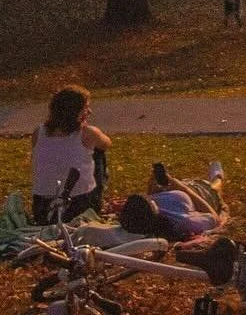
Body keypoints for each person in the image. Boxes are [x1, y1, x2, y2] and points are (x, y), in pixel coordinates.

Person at [31, 86, 111, 224]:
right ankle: (97, 201)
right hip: (78, 206)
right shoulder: (87, 133)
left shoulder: (39, 132)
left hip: (42, 208)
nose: (89, 112)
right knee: (98, 152)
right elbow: (107, 143)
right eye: (86, 108)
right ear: (76, 112)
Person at [120, 162, 225, 241]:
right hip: (203, 193)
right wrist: (183, 188)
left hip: (184, 185)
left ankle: (215, 169)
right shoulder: (184, 221)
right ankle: (217, 174)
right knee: (215, 186)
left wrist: (153, 188)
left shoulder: (143, 207)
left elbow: (152, 199)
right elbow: (214, 218)